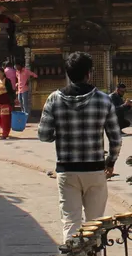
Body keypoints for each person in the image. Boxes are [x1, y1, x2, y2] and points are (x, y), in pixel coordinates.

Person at [38, 52, 122, 242]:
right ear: (89, 74)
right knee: (95, 225)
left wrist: (60, 131)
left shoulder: (54, 99)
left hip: (67, 170)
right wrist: (111, 161)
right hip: (95, 169)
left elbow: (43, 135)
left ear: (68, 74)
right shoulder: (104, 100)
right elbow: (115, 138)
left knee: (71, 223)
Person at [0, 66, 13, 139]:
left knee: (5, 117)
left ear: (3, 73)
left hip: (5, 101)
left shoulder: (7, 81)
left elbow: (11, 91)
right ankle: (5, 129)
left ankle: (5, 133)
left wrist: (12, 102)